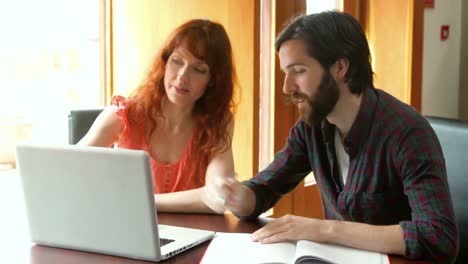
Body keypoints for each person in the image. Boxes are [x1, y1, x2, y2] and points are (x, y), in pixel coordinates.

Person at [222, 11, 458, 263]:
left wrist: (324, 230)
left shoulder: (407, 133)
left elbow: (439, 237)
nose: (287, 87)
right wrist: (240, 197)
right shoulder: (311, 127)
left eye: (298, 71)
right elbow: (265, 188)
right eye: (285, 73)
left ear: (340, 68)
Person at [79, 19, 237, 214]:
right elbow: (70, 171)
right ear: (165, 63)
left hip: (192, 236)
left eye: (198, 69)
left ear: (213, 80)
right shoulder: (124, 114)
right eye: (177, 61)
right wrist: (199, 196)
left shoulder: (218, 121)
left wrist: (141, 202)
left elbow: (219, 199)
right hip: (127, 230)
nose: (182, 77)